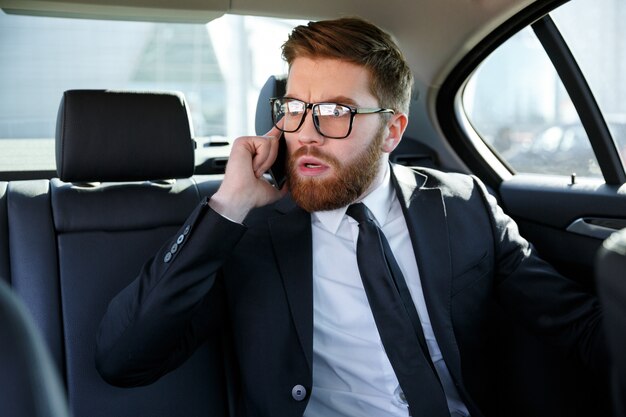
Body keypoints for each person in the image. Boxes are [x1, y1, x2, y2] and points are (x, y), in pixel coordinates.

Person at [95, 17, 608, 417]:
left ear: (391, 132)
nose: (308, 133)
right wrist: (227, 206)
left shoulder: (462, 203)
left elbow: (578, 324)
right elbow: (123, 359)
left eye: (337, 113)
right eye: (294, 108)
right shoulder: (246, 229)